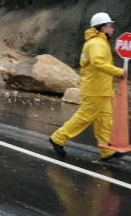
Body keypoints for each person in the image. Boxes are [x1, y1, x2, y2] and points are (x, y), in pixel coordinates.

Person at [49, 12, 125, 161]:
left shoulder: (99, 42)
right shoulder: (96, 43)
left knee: (105, 119)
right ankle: (57, 138)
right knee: (84, 117)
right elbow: (98, 62)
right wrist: (119, 72)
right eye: (109, 26)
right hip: (94, 90)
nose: (112, 29)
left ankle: (106, 150)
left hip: (102, 90)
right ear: (102, 27)